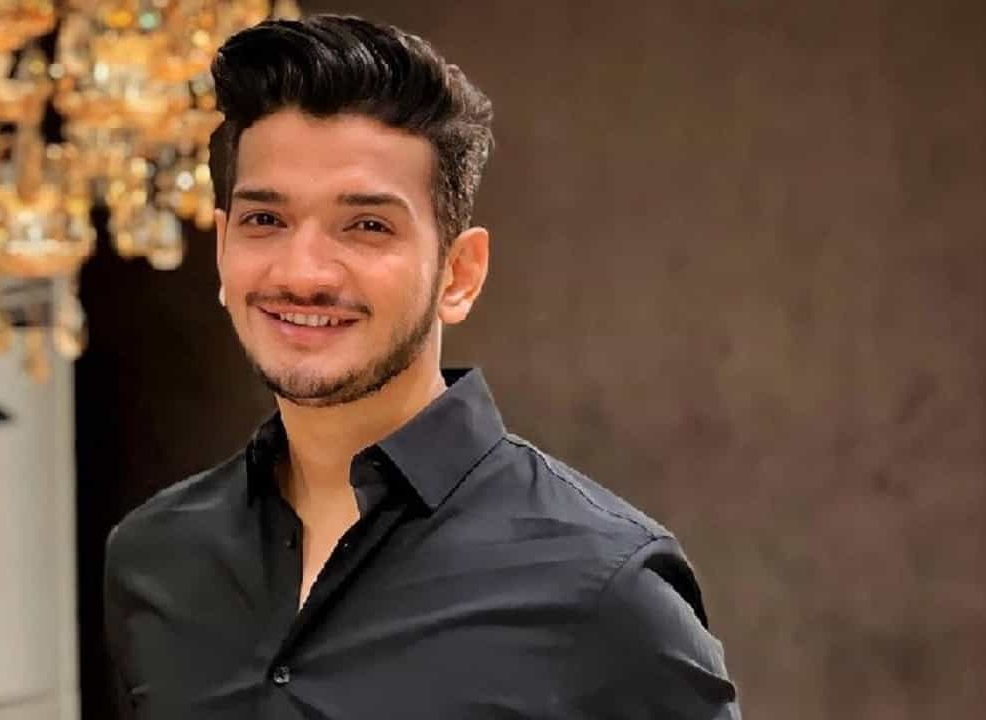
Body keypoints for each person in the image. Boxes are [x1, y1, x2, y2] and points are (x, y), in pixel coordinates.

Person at [103, 14, 740, 720]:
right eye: (266, 221)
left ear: (459, 275)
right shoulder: (154, 559)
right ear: (224, 251)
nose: (303, 272)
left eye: (367, 226)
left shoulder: (603, 588)